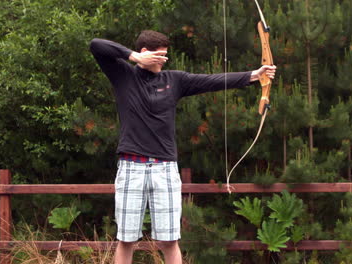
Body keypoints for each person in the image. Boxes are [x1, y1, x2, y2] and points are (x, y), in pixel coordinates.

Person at [90, 30, 276, 264]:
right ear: (145, 52)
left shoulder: (174, 80)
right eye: (160, 55)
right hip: (131, 168)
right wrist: (135, 57)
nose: (164, 60)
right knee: (126, 239)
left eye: (166, 55)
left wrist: (254, 75)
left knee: (169, 240)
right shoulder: (123, 75)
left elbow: (212, 81)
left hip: (165, 169)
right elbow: (96, 45)